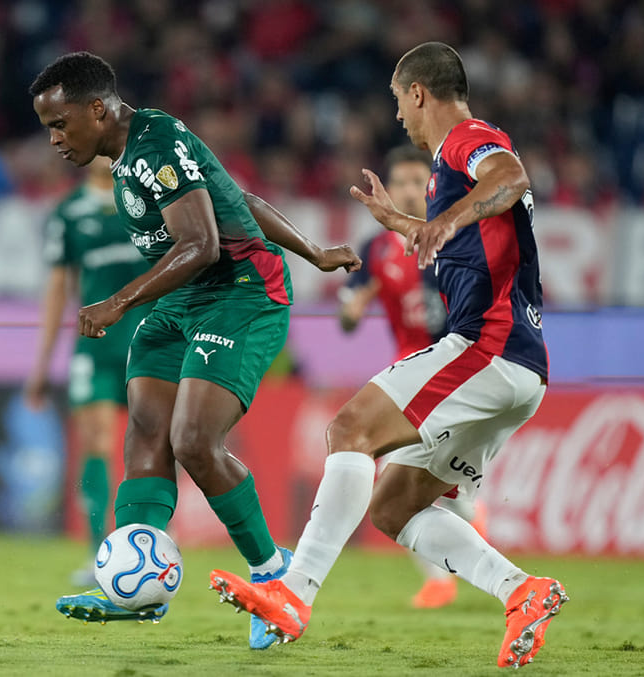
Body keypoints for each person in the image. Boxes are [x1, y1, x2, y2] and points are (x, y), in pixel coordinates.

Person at [210, 42, 568, 669]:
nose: (398, 115)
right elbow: (474, 232)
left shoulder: (467, 138)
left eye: (399, 100)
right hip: (522, 367)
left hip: (487, 346)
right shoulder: (446, 170)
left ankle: (294, 594)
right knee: (394, 505)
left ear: (419, 93)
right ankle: (522, 591)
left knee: (348, 429)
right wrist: (402, 222)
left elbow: (511, 179)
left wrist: (442, 221)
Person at [28, 52, 361, 649]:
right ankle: (133, 592)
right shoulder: (131, 151)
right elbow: (240, 200)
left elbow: (204, 243)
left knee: (194, 441)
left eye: (60, 123)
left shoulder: (154, 143)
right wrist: (315, 250)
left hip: (242, 295)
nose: (53, 138)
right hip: (185, 301)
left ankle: (274, 578)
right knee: (148, 431)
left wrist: (119, 303)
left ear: (98, 110)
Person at [338, 145, 487, 610]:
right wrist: (353, 309)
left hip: (459, 373)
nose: (406, 190)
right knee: (397, 479)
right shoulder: (377, 247)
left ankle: (468, 520)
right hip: (408, 374)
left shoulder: (457, 237)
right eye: (398, 181)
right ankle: (440, 579)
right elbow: (347, 317)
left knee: (444, 488)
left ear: (432, 187)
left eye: (415, 182)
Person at [26, 155, 152, 587]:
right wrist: (42, 363)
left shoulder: (150, 200)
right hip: (95, 347)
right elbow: (58, 288)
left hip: (149, 342)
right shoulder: (68, 212)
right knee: (95, 439)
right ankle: (101, 552)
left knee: (151, 443)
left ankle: (147, 542)